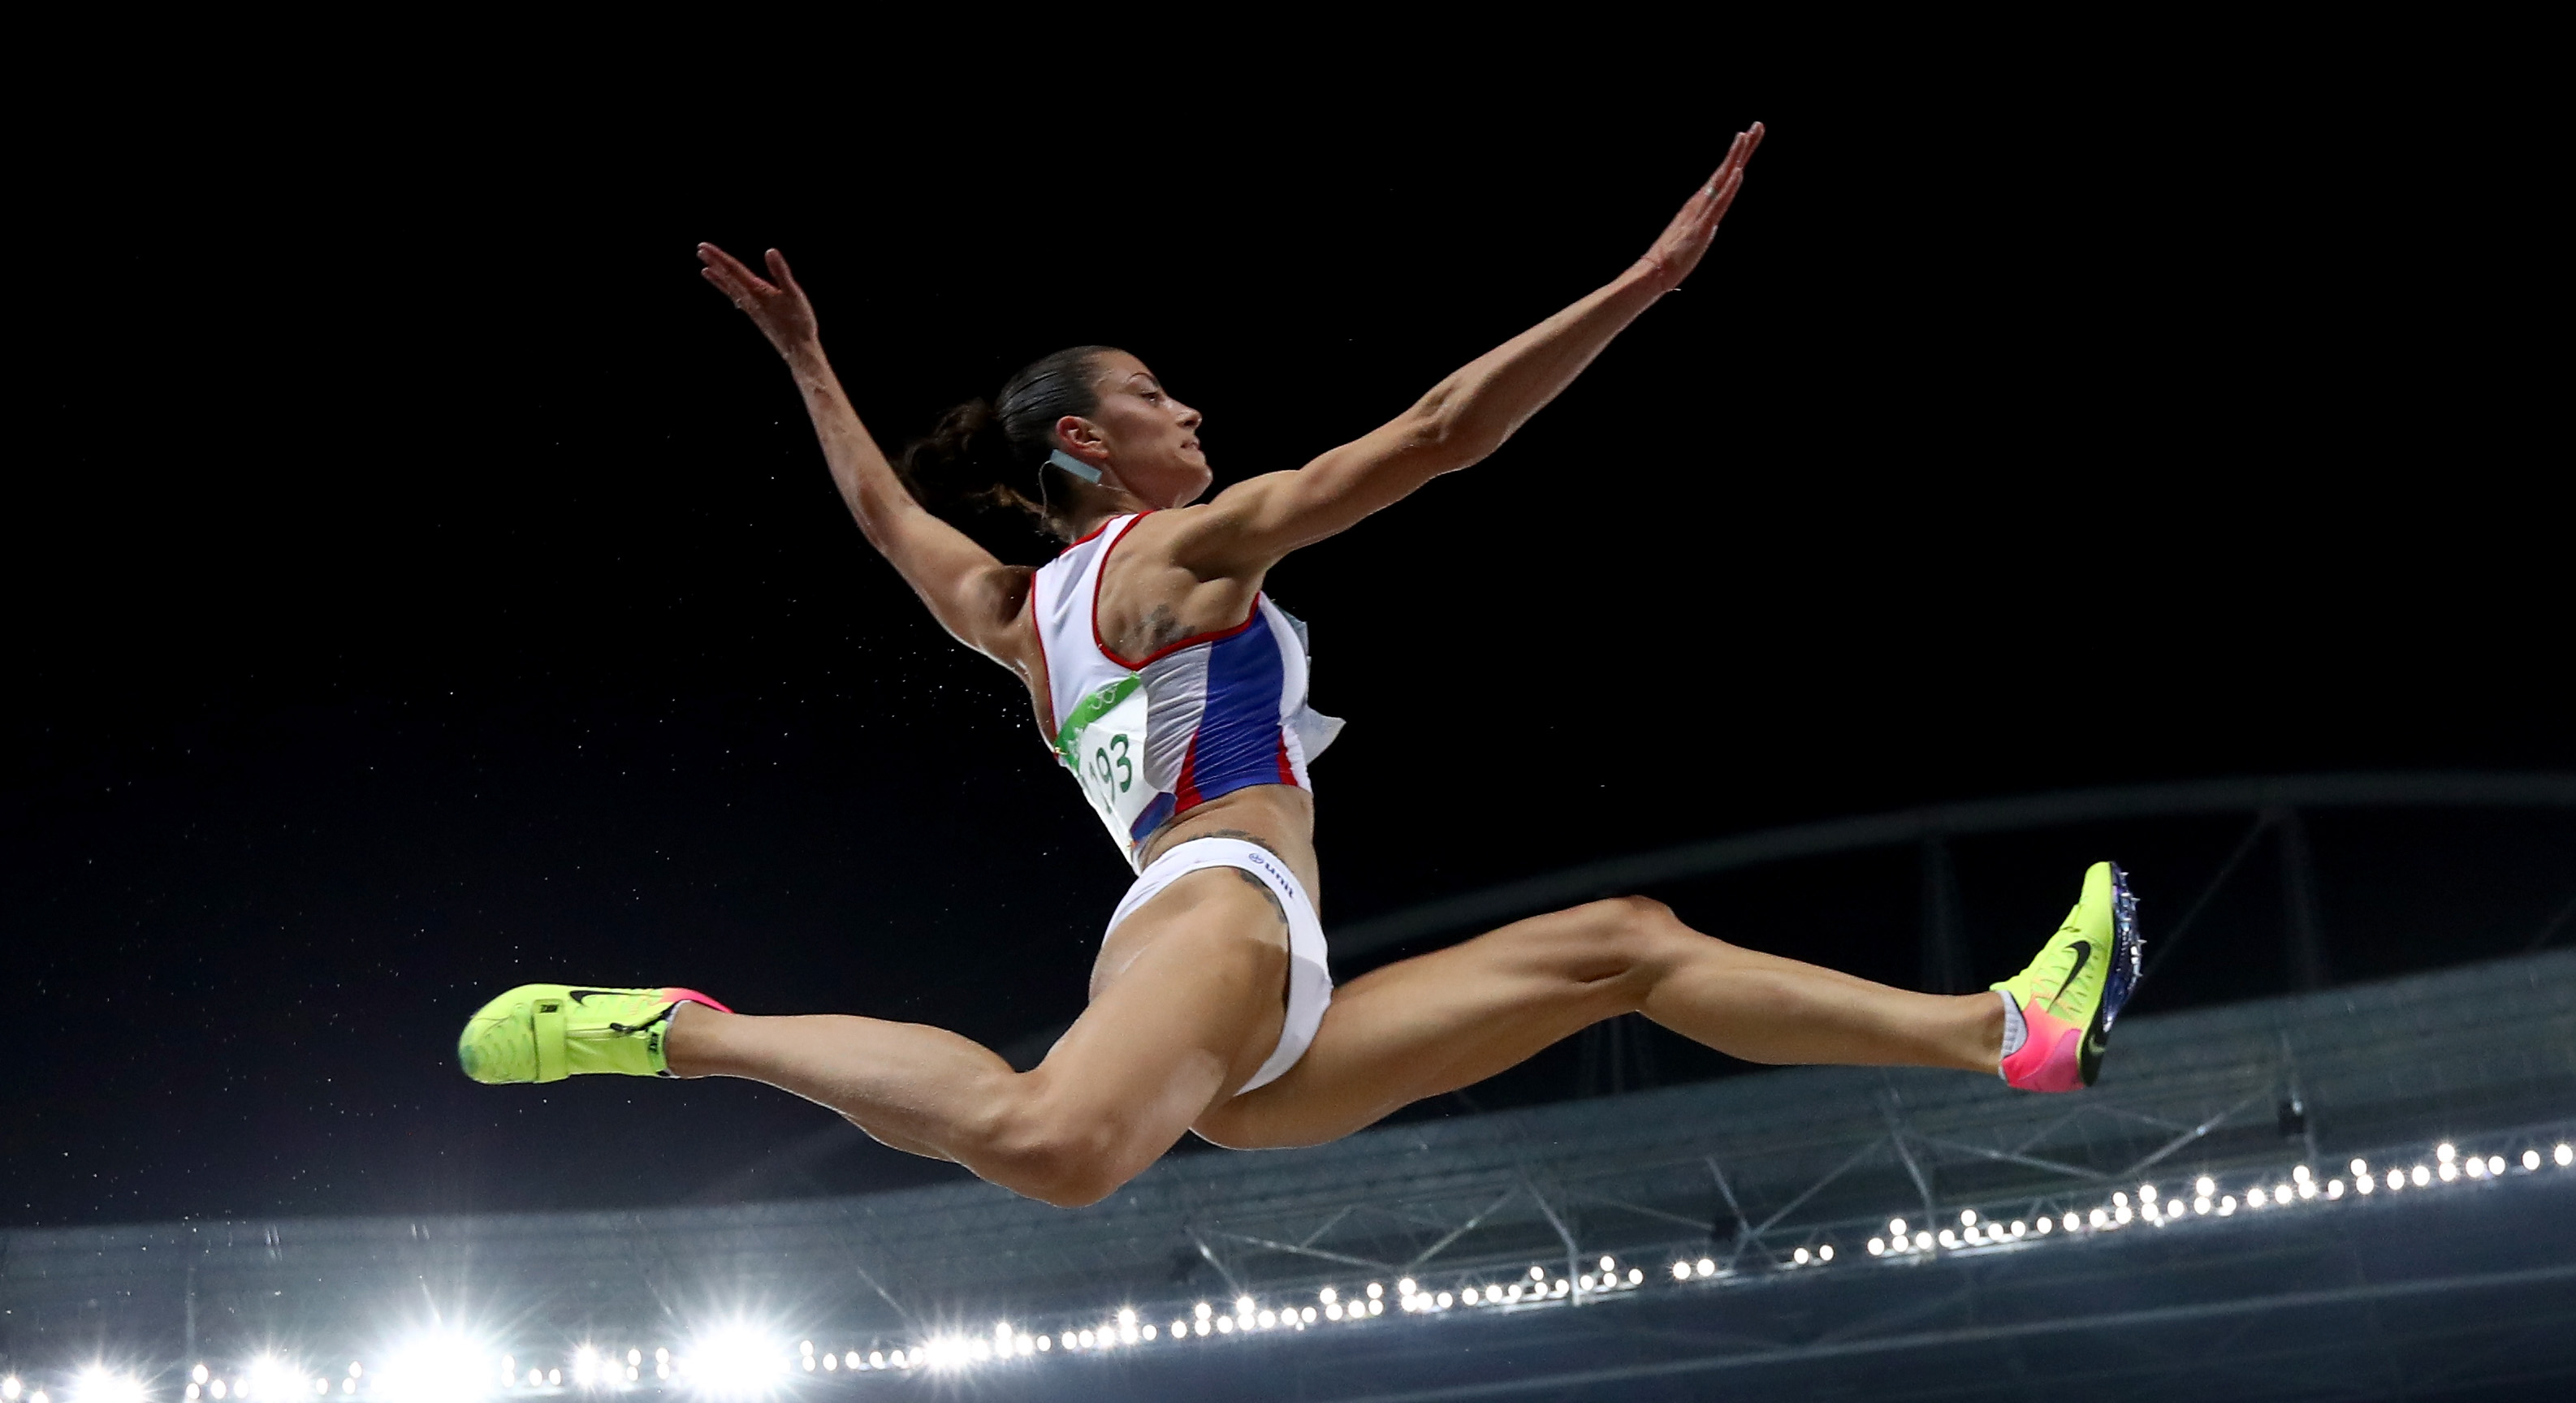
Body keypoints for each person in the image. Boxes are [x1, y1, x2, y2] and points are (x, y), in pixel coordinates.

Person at [452, 128, 2143, 1207]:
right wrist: (1637, 288)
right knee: (1057, 1146)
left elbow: (886, 517)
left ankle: (2009, 1029)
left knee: (1624, 946)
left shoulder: (1005, 609)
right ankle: (687, 1031)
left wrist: (810, 362)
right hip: (1213, 919)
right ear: (1088, 444)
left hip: (1274, 1004)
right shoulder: (1183, 551)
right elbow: (1433, 434)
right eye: (1159, 395)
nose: (1192, 413)